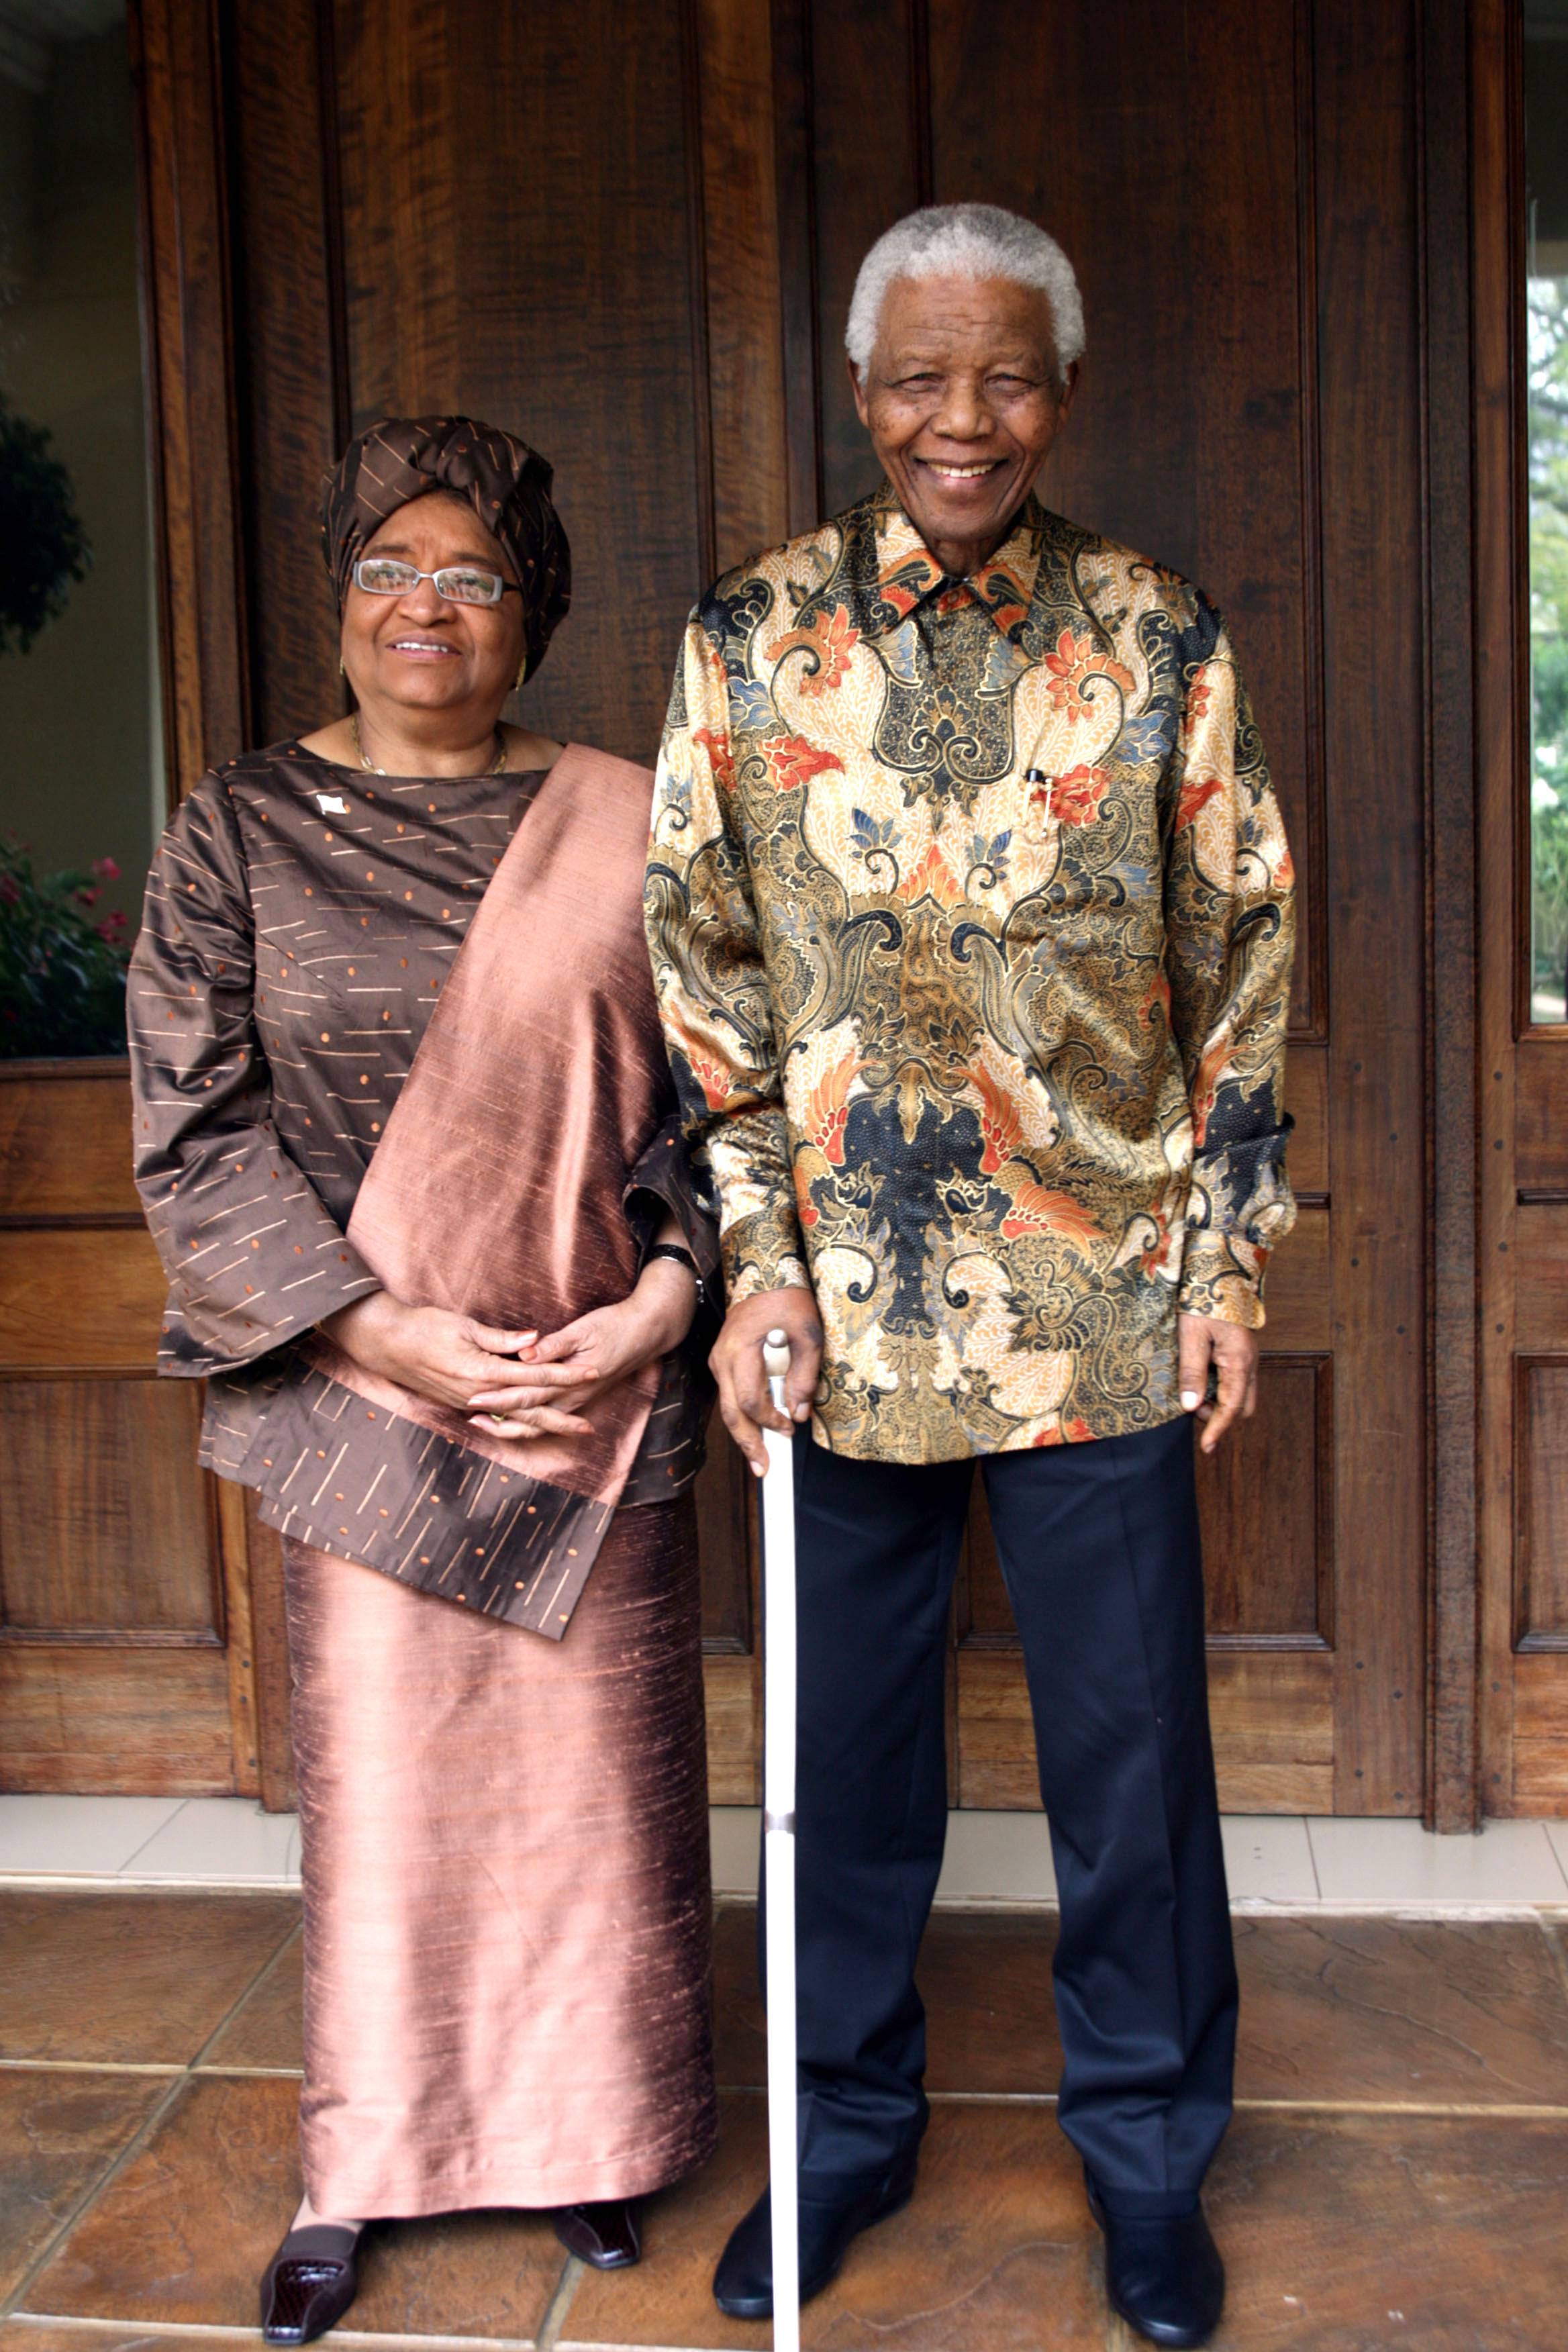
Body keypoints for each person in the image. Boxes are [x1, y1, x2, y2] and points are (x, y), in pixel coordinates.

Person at [646, 205, 1297, 2349]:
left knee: (1132, 1775)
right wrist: (750, 1267)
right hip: (842, 1312)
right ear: (862, 395)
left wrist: (1225, 1264)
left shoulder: (1162, 639)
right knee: (848, 1773)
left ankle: (1146, 2163)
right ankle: (839, 2137)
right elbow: (708, 996)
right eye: (921, 376)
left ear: (1063, 393)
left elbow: (1244, 974)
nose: (962, 417)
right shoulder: (747, 645)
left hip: (1103, 1295)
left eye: (1004, 375)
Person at [130, 417, 719, 2345]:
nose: (428, 608)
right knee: (392, 1804)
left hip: (583, 1389)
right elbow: (192, 1127)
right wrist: (368, 1328)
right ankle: (364, 2163)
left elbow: (734, 1104)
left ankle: (586, 2136)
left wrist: (665, 1302)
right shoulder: (234, 831)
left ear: (530, 613)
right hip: (366, 1389)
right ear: (340, 592)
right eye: (394, 567)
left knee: (584, 1795)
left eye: (473, 576)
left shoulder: (637, 820)